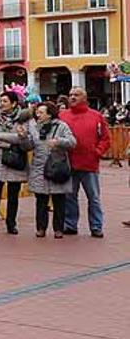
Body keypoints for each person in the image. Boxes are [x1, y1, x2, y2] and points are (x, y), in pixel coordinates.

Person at [59, 87, 110, 237]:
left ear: (84, 98)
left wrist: (97, 152)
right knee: (69, 196)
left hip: (90, 163)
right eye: (70, 95)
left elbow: (105, 139)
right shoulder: (62, 116)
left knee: (93, 198)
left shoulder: (96, 116)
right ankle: (70, 225)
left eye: (76, 95)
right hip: (68, 163)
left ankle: (96, 226)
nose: (72, 97)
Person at [0, 90, 35, 235]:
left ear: (14, 103)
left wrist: (5, 137)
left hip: (16, 161)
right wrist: (12, 143)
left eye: (5, 101)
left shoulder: (25, 119)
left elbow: (29, 142)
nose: (2, 104)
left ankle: (11, 223)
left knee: (13, 195)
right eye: (1, 101)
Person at [30, 101, 76, 239]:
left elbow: (73, 142)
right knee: (41, 201)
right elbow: (29, 145)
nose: (38, 115)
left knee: (59, 200)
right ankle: (41, 228)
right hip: (39, 167)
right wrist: (22, 138)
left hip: (57, 167)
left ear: (50, 114)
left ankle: (58, 229)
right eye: (37, 112)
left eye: (41, 112)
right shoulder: (34, 127)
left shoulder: (61, 126)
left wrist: (59, 141)